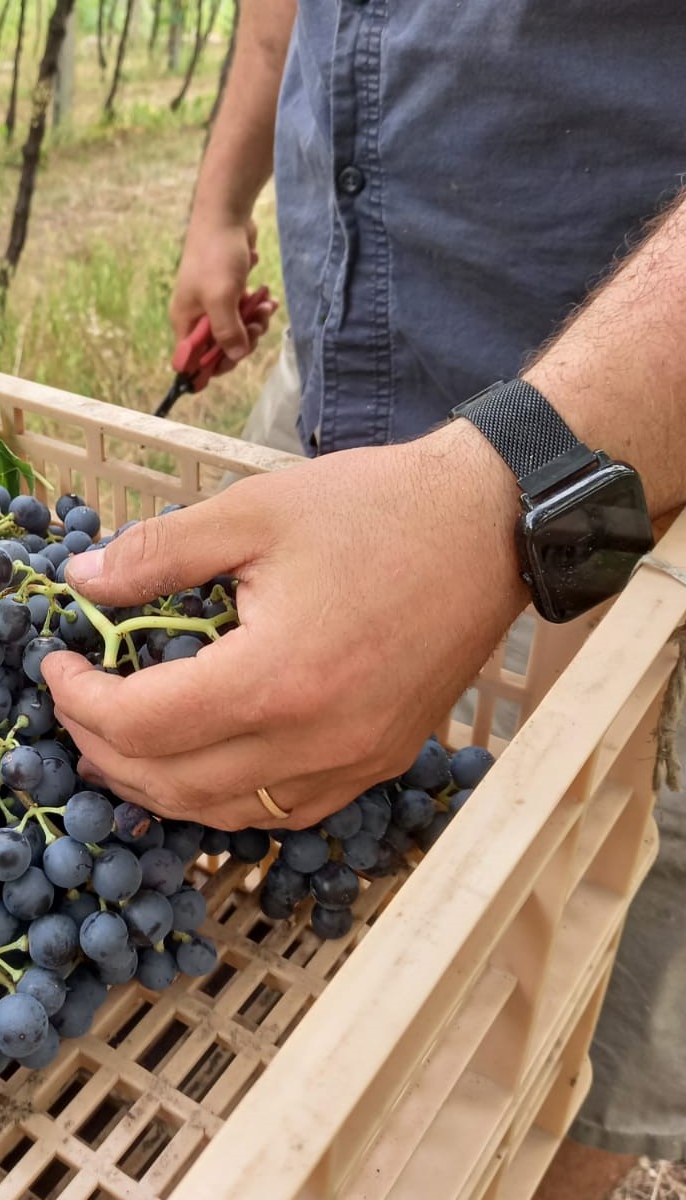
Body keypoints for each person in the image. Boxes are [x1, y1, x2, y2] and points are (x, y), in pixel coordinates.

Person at [42, 2, 686, 1194]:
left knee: (566, 995)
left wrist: (513, 472)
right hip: (337, 391)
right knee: (236, 814)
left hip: (634, 470)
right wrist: (218, 206)